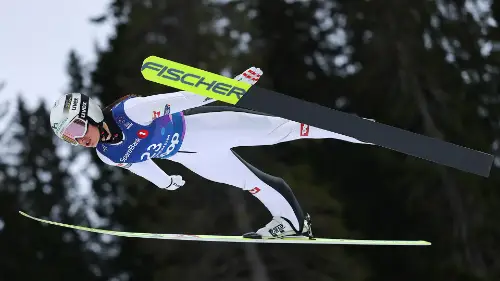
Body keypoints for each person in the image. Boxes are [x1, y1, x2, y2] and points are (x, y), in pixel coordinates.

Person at [49, 66, 373, 239]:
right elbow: (139, 163)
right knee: (251, 183)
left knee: (283, 130)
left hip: (202, 127)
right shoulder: (107, 153)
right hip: (192, 157)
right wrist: (165, 182)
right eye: (70, 139)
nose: (79, 141)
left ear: (89, 112)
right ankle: (293, 224)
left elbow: (183, 99)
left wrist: (227, 88)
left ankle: (356, 130)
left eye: (77, 130)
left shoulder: (131, 111)